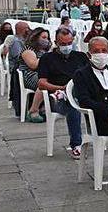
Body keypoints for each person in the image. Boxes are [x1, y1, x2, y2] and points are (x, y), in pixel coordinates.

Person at [37, 27, 89, 158]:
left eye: (69, 43)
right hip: (57, 97)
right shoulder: (47, 59)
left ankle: (101, 135)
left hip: (80, 93)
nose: (67, 46)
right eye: (63, 44)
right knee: (72, 104)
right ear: (56, 42)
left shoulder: (80, 57)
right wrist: (59, 88)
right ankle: (76, 144)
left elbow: (90, 77)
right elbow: (41, 83)